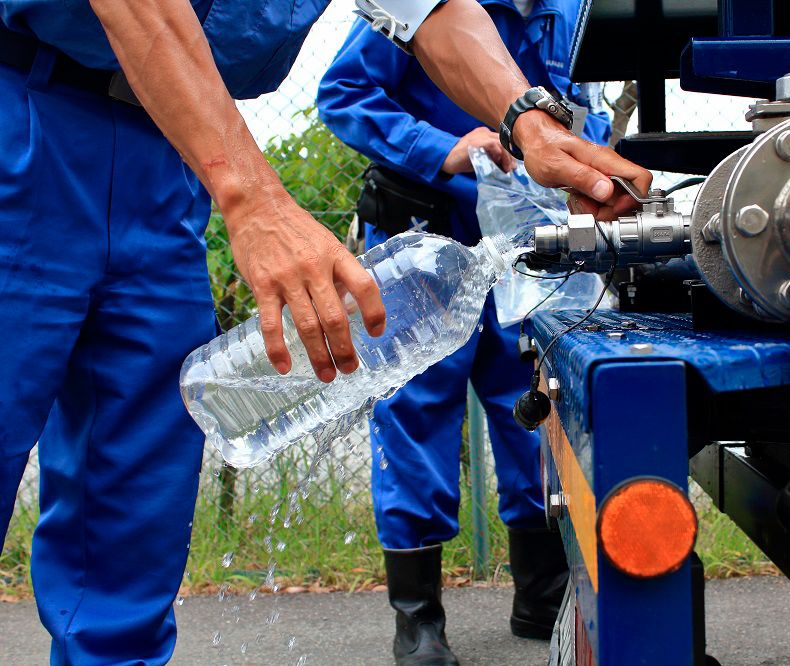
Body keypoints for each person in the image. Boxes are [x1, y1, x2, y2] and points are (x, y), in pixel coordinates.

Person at [0, 0, 648, 663]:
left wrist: (526, 123)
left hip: (165, 150)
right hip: (22, 116)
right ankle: (417, 612)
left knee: (128, 503)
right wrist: (252, 196)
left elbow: (428, 9)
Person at [317, 3, 609, 664]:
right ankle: (417, 617)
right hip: (421, 247)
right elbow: (340, 93)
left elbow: (583, 110)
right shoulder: (426, 9)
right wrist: (439, 150)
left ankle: (542, 593)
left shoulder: (567, 14)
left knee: (533, 406)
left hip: (522, 250)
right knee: (416, 416)